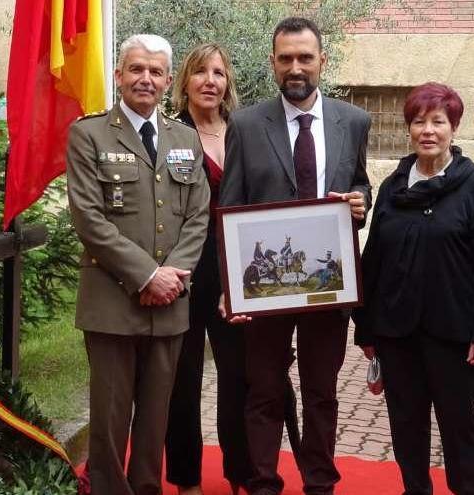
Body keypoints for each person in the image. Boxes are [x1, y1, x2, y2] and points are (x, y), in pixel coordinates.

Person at [219, 16, 372, 495]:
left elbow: (359, 182)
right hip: (265, 292)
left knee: (321, 393)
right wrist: (231, 288)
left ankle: (320, 482)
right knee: (263, 391)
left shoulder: (354, 120)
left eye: (305, 57)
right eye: (285, 58)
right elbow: (230, 204)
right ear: (272, 63)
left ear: (322, 61)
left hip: (328, 286)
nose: (295, 67)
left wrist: (359, 202)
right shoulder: (244, 124)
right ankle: (264, 481)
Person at [65, 34, 210, 495]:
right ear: (119, 74)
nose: (145, 79)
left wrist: (172, 279)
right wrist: (147, 275)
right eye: (135, 69)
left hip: (169, 304)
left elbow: (197, 215)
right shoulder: (88, 134)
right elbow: (88, 218)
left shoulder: (185, 137)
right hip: (112, 303)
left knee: (155, 417)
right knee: (109, 419)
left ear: (169, 81)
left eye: (155, 71)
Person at [352, 82, 474, 495]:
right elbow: (374, 256)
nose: (428, 130)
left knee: (459, 426)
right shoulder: (395, 186)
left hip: (453, 334)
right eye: (418, 122)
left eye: (438, 121)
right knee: (406, 424)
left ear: (454, 128)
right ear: (408, 129)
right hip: (397, 333)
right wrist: (366, 328)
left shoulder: (473, 185)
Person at [164, 43, 252, 495]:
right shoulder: (167, 134)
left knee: (238, 376)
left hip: (233, 270)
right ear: (185, 82)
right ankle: (186, 479)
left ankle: (240, 473)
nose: (210, 81)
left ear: (227, 83)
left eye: (218, 73)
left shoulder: (244, 132)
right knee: (183, 378)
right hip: (181, 271)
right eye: (200, 72)